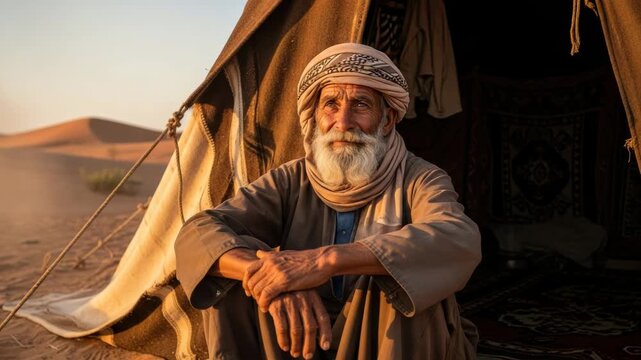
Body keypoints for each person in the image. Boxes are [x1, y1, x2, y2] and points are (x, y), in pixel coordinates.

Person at [175, 43, 481, 360]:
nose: (343, 121)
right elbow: (199, 231)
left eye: (361, 105)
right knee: (240, 273)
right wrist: (276, 279)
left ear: (387, 120)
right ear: (316, 116)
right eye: (331, 104)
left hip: (381, 341)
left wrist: (324, 262)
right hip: (301, 336)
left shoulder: (421, 179)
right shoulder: (291, 179)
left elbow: (457, 237)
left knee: (398, 280)